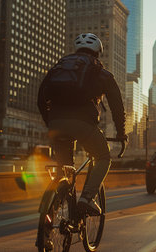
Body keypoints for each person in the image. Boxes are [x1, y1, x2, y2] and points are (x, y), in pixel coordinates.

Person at [37, 33, 126, 215]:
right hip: (83, 123)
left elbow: (40, 99)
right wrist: (121, 133)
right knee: (102, 157)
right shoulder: (102, 73)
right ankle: (87, 198)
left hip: (55, 122)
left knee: (64, 171)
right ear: (98, 53)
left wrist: (51, 123)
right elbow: (117, 106)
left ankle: (48, 223)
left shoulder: (59, 68)